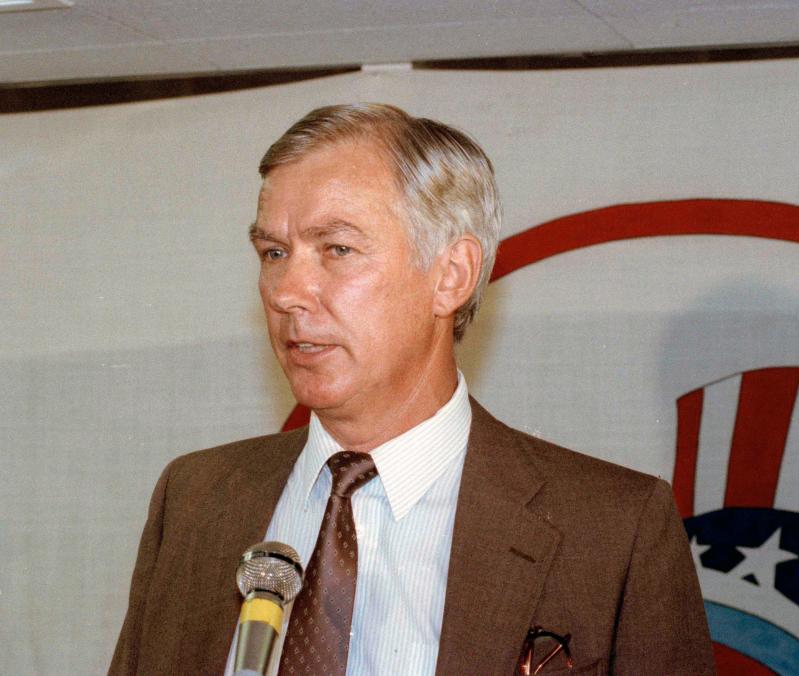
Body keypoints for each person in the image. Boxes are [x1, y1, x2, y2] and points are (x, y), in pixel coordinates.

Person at [110, 103, 714, 675]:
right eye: (273, 251)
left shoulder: (612, 531)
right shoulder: (193, 502)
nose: (286, 291)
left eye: (337, 249)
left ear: (451, 276)